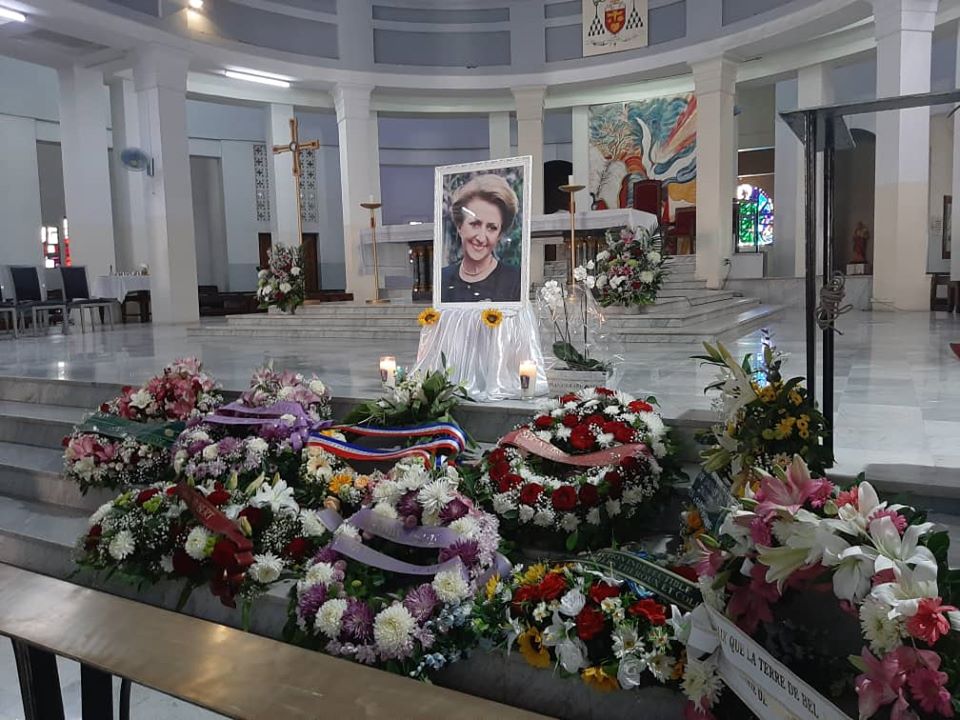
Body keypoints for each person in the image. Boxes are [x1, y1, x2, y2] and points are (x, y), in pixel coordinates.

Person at [440, 173, 522, 303]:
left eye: (492, 228)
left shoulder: (516, 279)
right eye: (474, 224)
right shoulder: (442, 279)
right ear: (459, 226)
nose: (481, 237)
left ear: (500, 234)